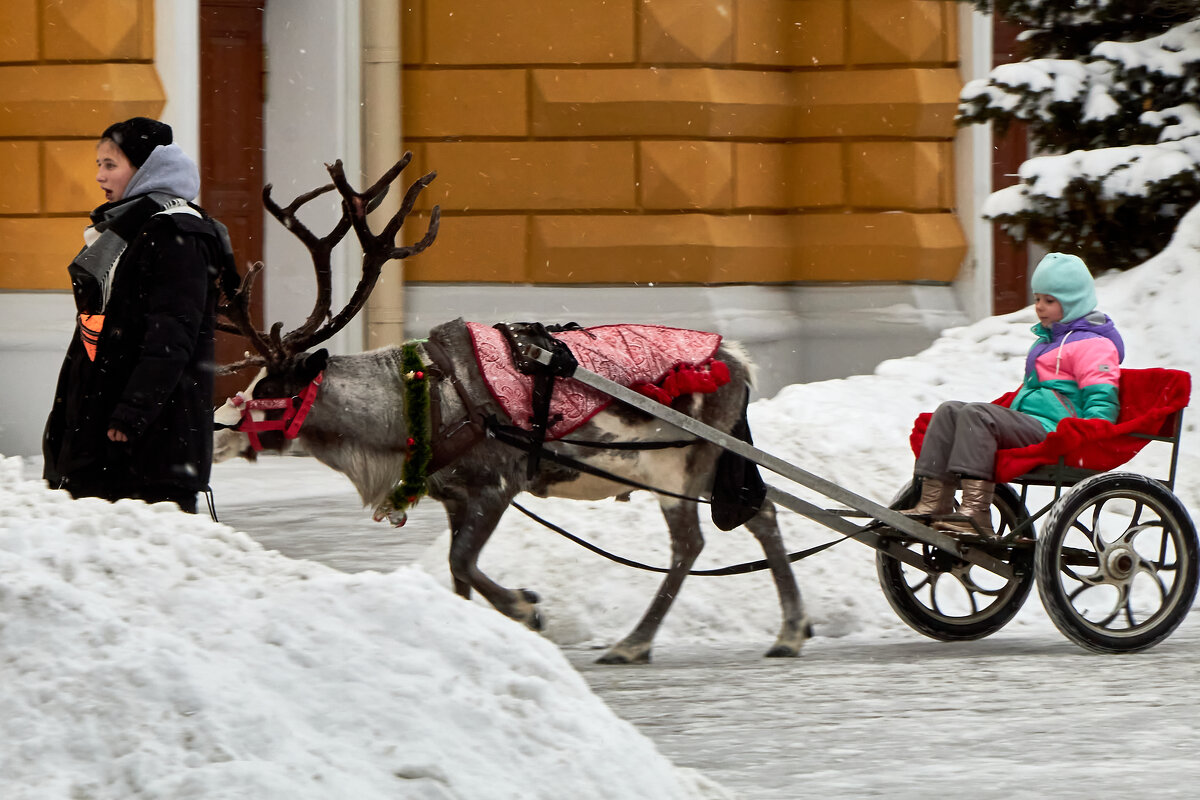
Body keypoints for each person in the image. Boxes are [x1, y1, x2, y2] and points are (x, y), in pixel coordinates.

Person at [42, 117, 228, 514]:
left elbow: (171, 336)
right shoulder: (126, 231)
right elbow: (98, 335)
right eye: (99, 164)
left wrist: (132, 414)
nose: (98, 176)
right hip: (105, 440)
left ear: (147, 169)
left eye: (110, 165)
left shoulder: (179, 234)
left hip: (149, 450)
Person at [903, 252, 1124, 536]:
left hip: (1056, 430)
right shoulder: (1048, 342)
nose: (1039, 307)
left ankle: (976, 512)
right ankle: (935, 501)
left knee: (976, 415)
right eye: (1037, 299)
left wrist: (1092, 433)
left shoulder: (1093, 345)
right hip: (1031, 422)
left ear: (1073, 303)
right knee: (949, 410)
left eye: (1049, 300)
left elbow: (1102, 396)